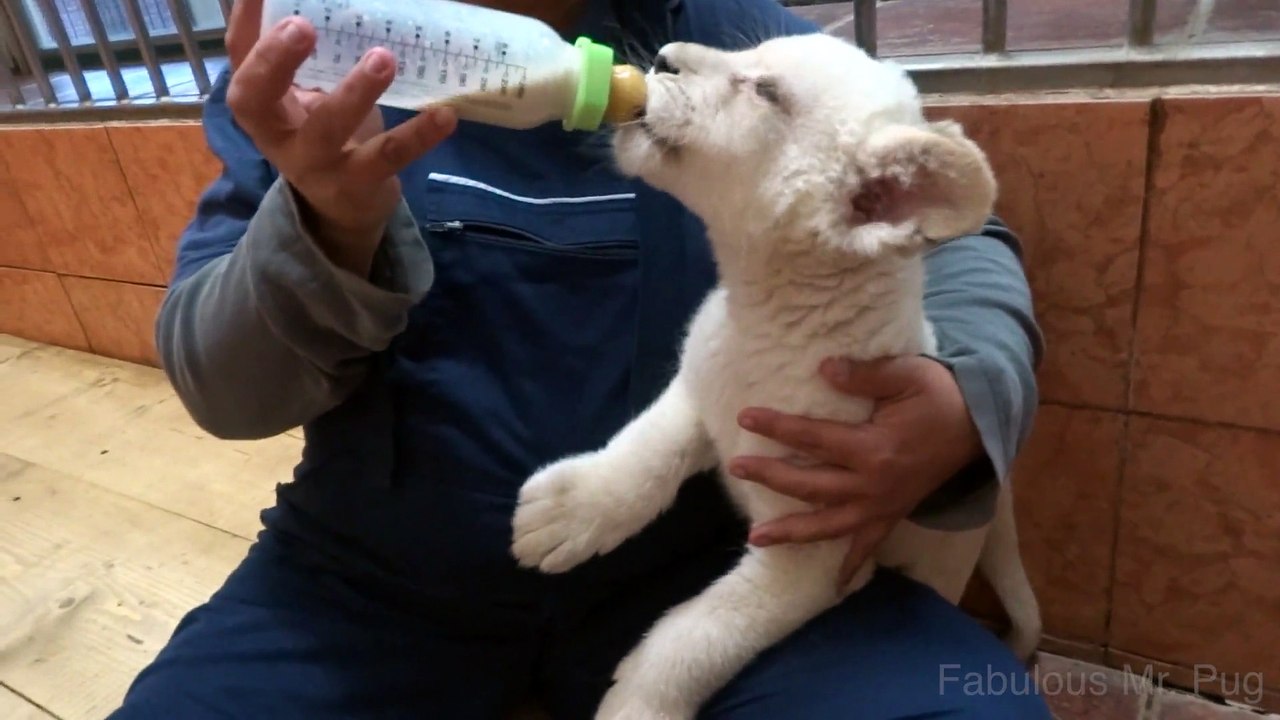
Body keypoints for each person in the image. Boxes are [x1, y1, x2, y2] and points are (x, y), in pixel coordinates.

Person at [107, 0, 1052, 717]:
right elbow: (218, 385)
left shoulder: (742, 34)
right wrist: (321, 224)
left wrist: (965, 391)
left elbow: (958, 235)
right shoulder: (321, 68)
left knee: (967, 705)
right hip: (372, 582)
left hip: (708, 561)